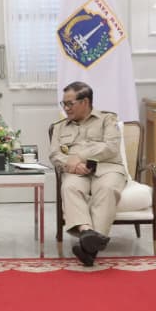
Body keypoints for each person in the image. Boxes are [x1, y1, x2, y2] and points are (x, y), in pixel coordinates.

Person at [49, 81, 127, 266]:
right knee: (69, 187)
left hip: (108, 168)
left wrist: (79, 156)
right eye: (63, 104)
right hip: (76, 172)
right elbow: (55, 155)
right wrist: (73, 166)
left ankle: (88, 248)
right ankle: (87, 233)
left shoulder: (107, 120)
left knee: (107, 189)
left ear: (85, 102)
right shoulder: (59, 127)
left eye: (70, 103)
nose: (66, 108)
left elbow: (111, 147)